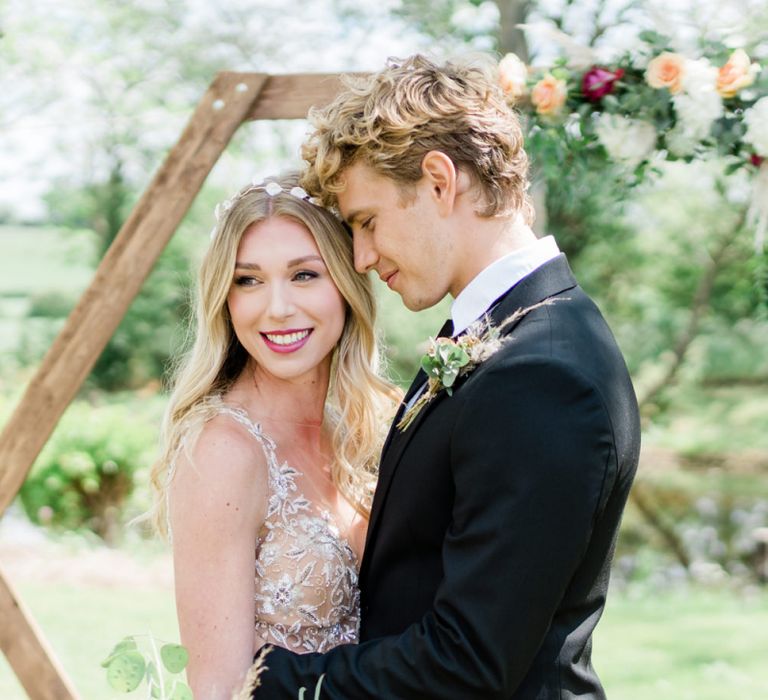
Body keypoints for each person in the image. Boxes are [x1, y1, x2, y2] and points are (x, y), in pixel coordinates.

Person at [249, 55, 641, 699]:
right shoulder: (512, 333)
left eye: (367, 222)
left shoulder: (542, 374)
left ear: (437, 181)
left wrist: (270, 681)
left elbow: (469, 661)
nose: (364, 257)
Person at [148, 172, 399, 699]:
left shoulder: (359, 433)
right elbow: (221, 690)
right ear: (226, 299)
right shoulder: (223, 451)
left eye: (304, 275)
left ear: (347, 284)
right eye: (249, 280)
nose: (277, 307)